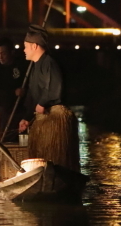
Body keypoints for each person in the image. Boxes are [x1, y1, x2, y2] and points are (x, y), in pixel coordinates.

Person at [18, 24, 79, 172]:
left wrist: (42, 103)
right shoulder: (34, 67)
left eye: (25, 46)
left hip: (54, 116)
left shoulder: (49, 63)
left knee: (55, 156)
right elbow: (33, 94)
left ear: (34, 46)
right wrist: (26, 117)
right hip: (41, 118)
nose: (23, 50)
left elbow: (54, 88)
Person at [0, 36, 25, 118]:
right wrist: (14, 92)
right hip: (8, 112)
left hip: (26, 109)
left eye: (3, 53)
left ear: (12, 52)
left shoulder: (22, 64)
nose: (0, 57)